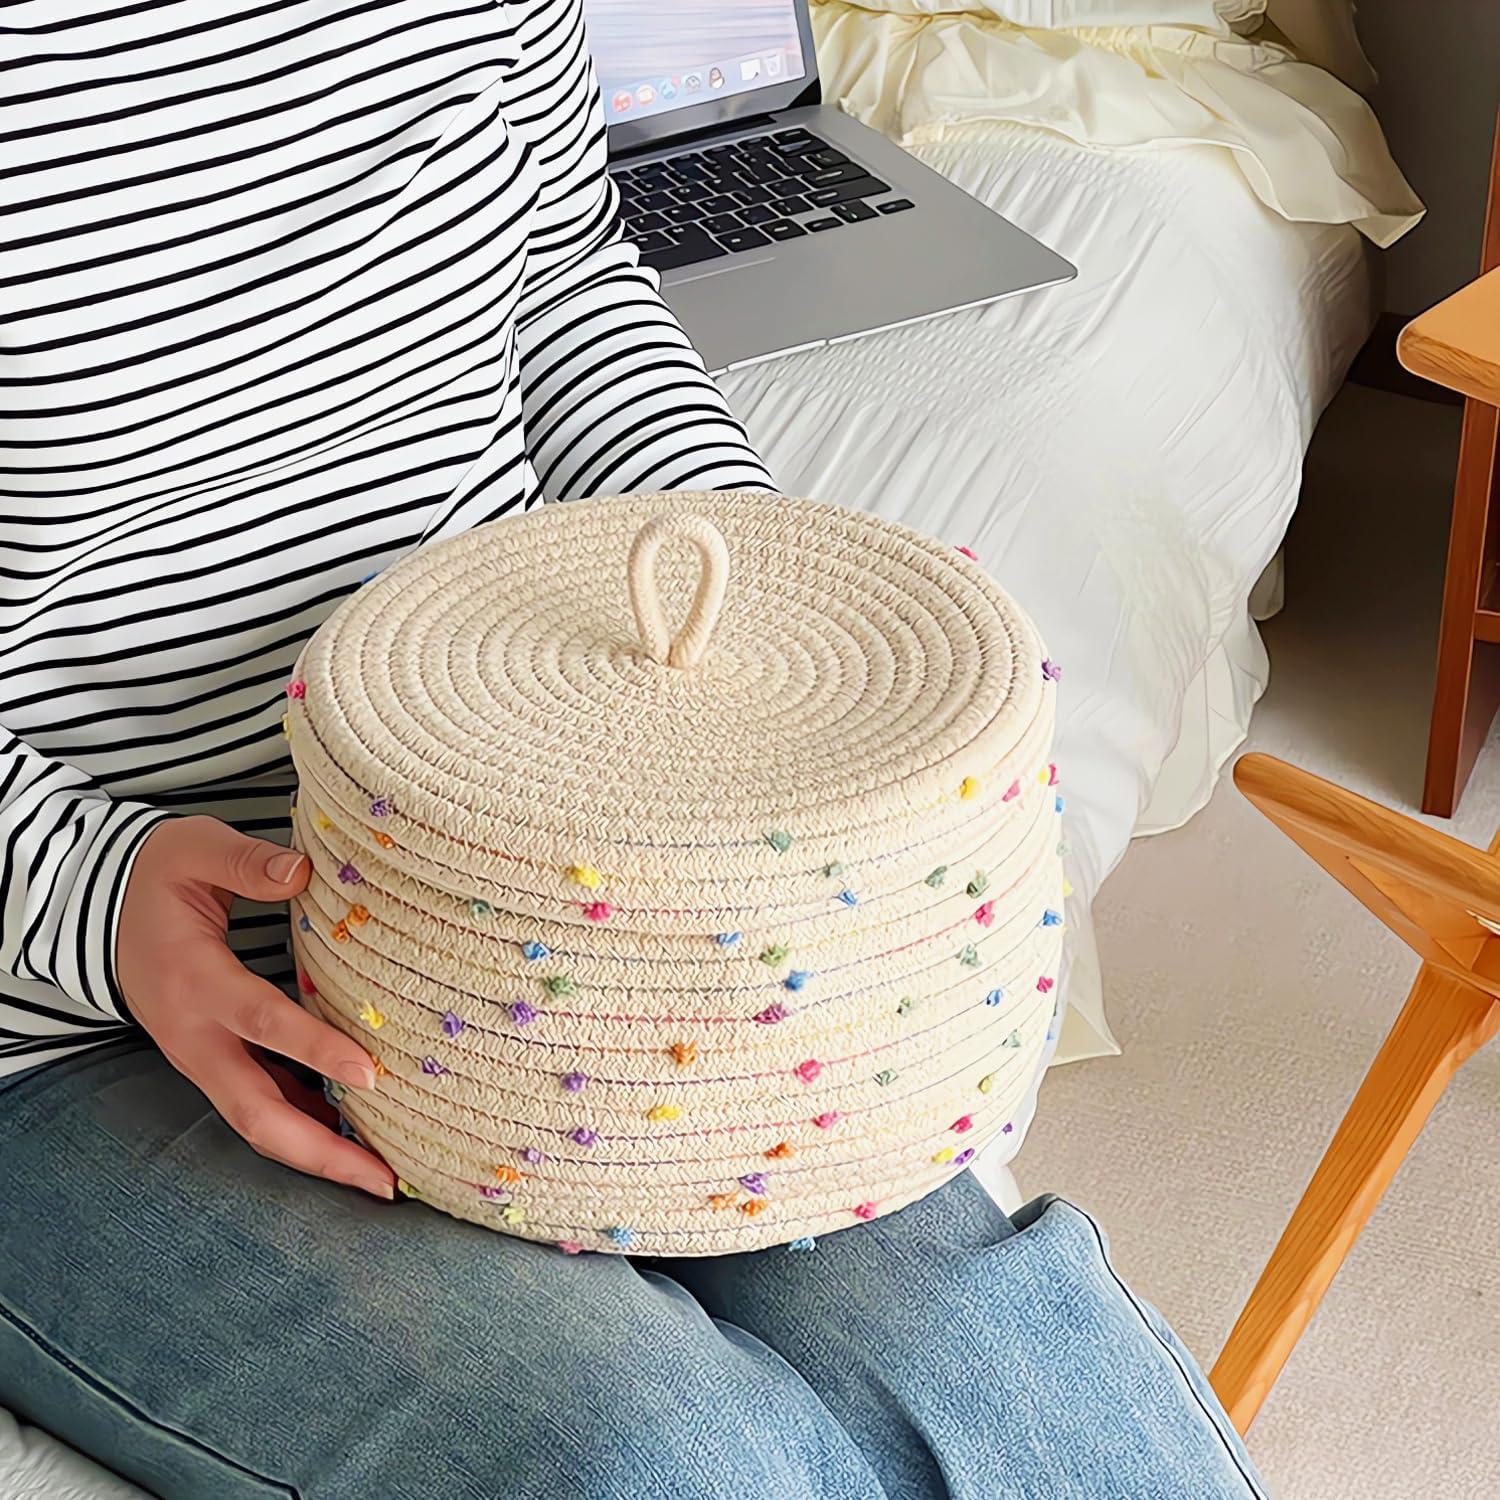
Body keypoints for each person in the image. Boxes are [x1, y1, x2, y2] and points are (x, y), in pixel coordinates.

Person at [0, 4, 1267, 1496]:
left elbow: (562, 286)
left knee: (1024, 1376)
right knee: (665, 1457)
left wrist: (763, 619)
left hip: (549, 903)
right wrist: (95, 896)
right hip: (81, 1010)